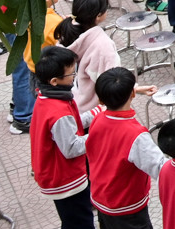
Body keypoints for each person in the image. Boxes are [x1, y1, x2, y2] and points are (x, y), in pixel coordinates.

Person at [86, 66, 164, 229]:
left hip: (102, 198)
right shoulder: (136, 135)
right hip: (127, 206)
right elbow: (160, 168)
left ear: (100, 100)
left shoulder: (98, 120)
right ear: (133, 94)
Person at [31, 45, 93, 229]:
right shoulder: (58, 112)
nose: (74, 76)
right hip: (66, 179)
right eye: (71, 74)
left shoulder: (46, 98)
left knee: (71, 221)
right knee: (81, 223)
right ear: (54, 81)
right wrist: (98, 135)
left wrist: (96, 113)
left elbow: (70, 125)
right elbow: (71, 147)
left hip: (56, 175)